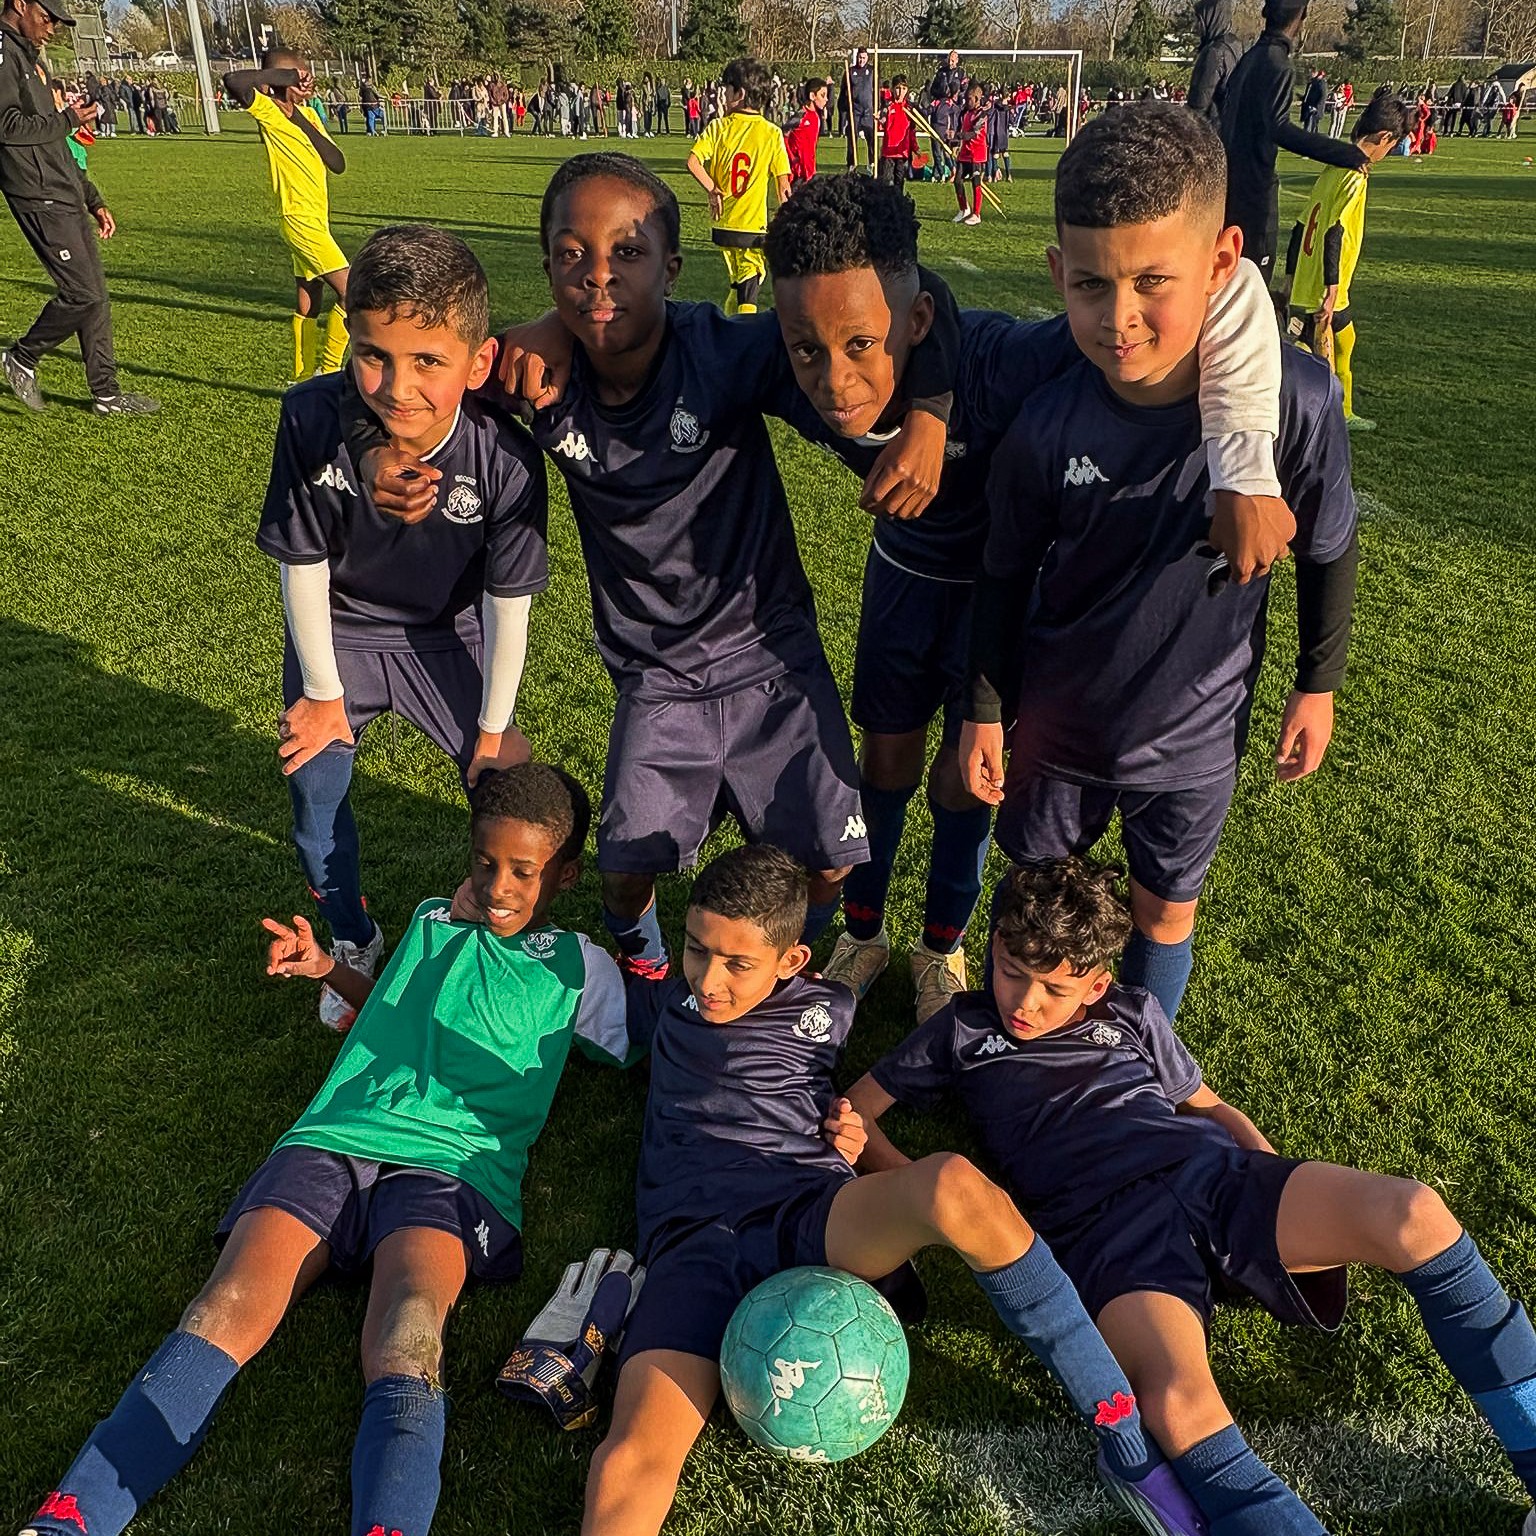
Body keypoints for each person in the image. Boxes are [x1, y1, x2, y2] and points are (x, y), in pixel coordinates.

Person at [346, 154, 960, 993]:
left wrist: (929, 417)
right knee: (623, 871)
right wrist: (372, 449)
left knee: (828, 865)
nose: (598, 277)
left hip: (771, 657)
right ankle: (648, 971)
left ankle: (780, 969)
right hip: (655, 675)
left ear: (672, 267)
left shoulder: (725, 353)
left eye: (627, 253)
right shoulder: (534, 376)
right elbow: (397, 379)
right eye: (572, 255)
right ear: (547, 266)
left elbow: (920, 299)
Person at [16, 764, 634, 1536]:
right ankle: (67, 1523)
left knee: (411, 1333)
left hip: (452, 1167)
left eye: (523, 871)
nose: (498, 885)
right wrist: (328, 969)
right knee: (219, 1307)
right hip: (333, 1136)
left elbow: (641, 1042)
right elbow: (393, 1010)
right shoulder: (433, 917)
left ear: (565, 875)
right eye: (485, 862)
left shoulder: (580, 968)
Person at [848, 855, 1536, 1536]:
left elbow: (1207, 1106)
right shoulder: (962, 1028)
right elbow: (857, 1112)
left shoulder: (1133, 1012)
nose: (1025, 1003)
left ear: (1096, 984)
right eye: (1010, 972)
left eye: (1054, 988)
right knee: (1178, 1405)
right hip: (1106, 1229)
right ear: (994, 947)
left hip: (1210, 1176)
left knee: (1415, 1214)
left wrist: (1267, 1171)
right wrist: (929, 1190)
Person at [763, 173, 1291, 1024]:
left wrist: (1247, 467)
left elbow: (1230, 296)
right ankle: (863, 934)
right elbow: (678, 340)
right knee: (885, 764)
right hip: (902, 582)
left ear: (916, 321)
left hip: (1000, 599)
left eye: (862, 344)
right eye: (809, 351)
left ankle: (941, 947)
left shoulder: (999, 362)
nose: (835, 378)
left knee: (967, 781)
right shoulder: (794, 359)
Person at [580, 844, 1208, 1536]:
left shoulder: (830, 1006)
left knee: (953, 1183)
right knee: (637, 1449)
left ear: (792, 961)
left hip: (806, 1205)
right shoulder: (666, 1001)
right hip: (692, 1243)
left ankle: (1125, 1441)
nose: (708, 979)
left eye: (737, 963)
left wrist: (847, 1132)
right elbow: (571, 988)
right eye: (697, 950)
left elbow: (863, 1089)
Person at [960, 103, 1360, 1027]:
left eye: (1152, 281)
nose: (1120, 318)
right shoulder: (1049, 417)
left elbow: (1329, 544)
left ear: (1222, 261)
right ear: (1057, 272)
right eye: (1091, 285)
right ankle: (1011, 1057)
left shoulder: (1296, 402)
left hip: (1196, 728)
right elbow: (1004, 571)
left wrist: (1318, 684)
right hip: (1057, 725)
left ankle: (1137, 1065)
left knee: (1164, 912)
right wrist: (984, 707)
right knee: (1034, 906)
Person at [259, 225, 548, 1029]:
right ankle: (353, 939)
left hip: (447, 635)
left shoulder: (506, 457)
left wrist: (493, 728)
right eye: (373, 355)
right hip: (341, 631)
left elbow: (508, 602)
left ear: (479, 363)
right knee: (315, 803)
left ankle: (501, 939)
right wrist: (323, 695)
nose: (397, 386)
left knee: (507, 792)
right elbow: (303, 561)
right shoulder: (309, 415)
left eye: (428, 361)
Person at [0, 0, 157, 416]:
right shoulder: (3, 52)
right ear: (20, 4)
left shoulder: (32, 59)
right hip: (36, 193)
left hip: (64, 191)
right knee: (81, 293)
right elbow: (5, 126)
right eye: (46, 18)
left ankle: (106, 394)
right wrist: (67, 119)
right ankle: (21, 357)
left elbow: (53, 143)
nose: (52, 28)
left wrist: (92, 197)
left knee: (96, 296)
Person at [1219, 0, 1368, 290]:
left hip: (1230, 184)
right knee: (1252, 283)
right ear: (1301, 17)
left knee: (1231, 278)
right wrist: (1345, 153)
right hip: (1255, 190)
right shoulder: (1277, 64)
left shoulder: (1249, 59)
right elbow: (1280, 128)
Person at [1282, 96, 1410, 433]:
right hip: (1325, 284)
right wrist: (1332, 288)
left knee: (1336, 342)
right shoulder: (1354, 176)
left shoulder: (1332, 167)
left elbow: (1300, 225)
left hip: (1307, 279)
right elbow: (1334, 231)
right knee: (1319, 353)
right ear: (1384, 137)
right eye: (1391, 147)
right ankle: (1325, 414)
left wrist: (1290, 275)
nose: (1387, 154)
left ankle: (1341, 410)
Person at [224, 53, 352, 383]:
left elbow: (337, 163)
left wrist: (301, 117)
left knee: (309, 300)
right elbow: (234, 81)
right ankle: (330, 369)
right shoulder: (268, 112)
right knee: (353, 291)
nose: (306, 82)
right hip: (298, 218)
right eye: (299, 76)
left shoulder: (308, 114)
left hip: (317, 220)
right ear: (278, 80)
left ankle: (303, 377)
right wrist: (284, 78)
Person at [686, 56, 792, 316]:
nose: (723, 95)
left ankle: (729, 324)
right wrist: (788, 217)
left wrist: (713, 189)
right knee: (752, 280)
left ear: (740, 94)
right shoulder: (771, 133)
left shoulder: (718, 127)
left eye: (727, 90)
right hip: (751, 227)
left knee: (738, 281)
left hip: (723, 225)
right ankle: (744, 330)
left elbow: (693, 162)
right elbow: (783, 186)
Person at [952, 81, 989, 225]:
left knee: (976, 182)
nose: (966, 102)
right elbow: (961, 130)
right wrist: (954, 141)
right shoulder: (965, 113)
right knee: (957, 181)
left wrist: (958, 135)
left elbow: (973, 133)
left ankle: (976, 214)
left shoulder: (982, 115)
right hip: (965, 153)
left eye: (969, 99)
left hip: (977, 154)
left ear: (977, 99)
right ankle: (964, 209)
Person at [878, 74, 918, 190]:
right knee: (886, 184)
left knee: (899, 183)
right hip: (888, 152)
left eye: (904, 89)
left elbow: (912, 131)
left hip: (902, 152)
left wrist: (915, 147)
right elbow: (883, 120)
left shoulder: (909, 108)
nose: (900, 92)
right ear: (893, 89)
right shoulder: (888, 105)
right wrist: (879, 119)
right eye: (898, 88)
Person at [787, 77, 828, 184]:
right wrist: (792, 158)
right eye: (823, 95)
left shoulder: (816, 116)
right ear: (812, 96)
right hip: (797, 173)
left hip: (809, 171)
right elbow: (782, 135)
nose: (826, 99)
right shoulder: (800, 116)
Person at [842, 45, 875, 168]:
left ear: (867, 58)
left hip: (868, 111)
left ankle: (872, 163)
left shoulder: (872, 71)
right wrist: (845, 109)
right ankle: (851, 164)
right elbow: (843, 92)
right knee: (852, 137)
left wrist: (878, 108)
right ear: (857, 57)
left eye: (864, 58)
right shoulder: (850, 71)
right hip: (855, 111)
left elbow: (877, 90)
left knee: (871, 137)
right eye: (860, 57)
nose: (861, 60)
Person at [1299, 67, 1327, 132]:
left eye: (1311, 72)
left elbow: (1323, 96)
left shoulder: (1321, 83)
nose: (1310, 74)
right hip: (1307, 108)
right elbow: (1309, 95)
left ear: (1316, 73)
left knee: (1311, 128)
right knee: (1306, 128)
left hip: (1314, 109)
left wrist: (1316, 107)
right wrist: (1302, 98)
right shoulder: (1311, 83)